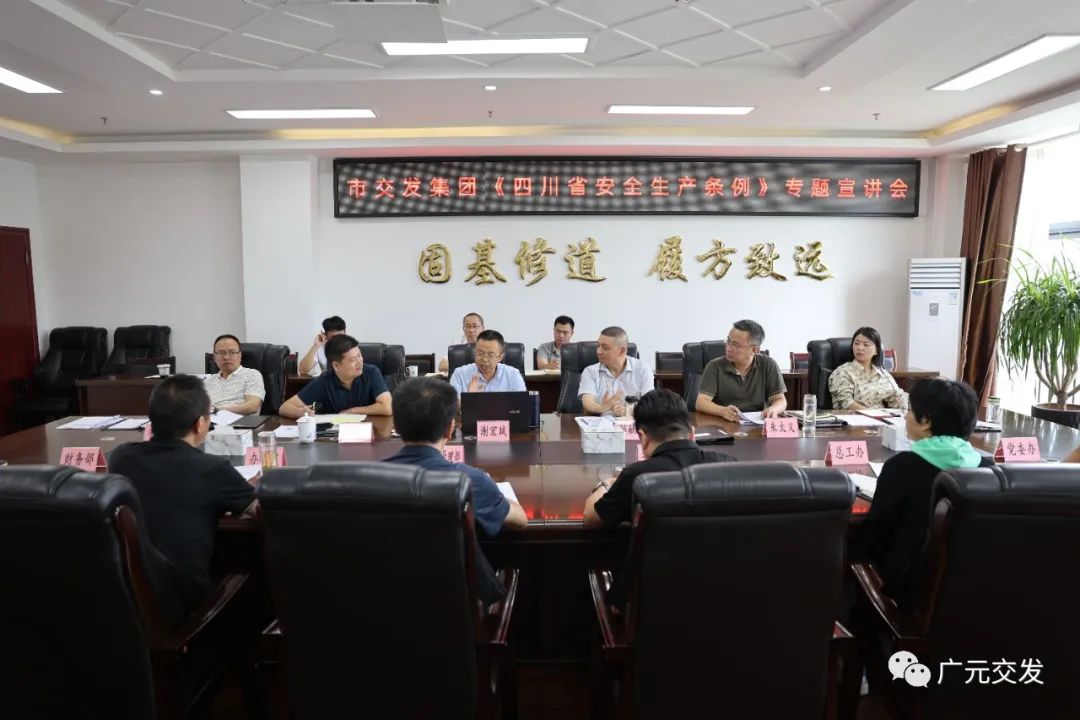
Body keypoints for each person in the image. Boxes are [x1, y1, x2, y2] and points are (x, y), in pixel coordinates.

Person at [108, 375, 256, 624]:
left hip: (127, 602)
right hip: (184, 604)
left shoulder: (121, 457)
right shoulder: (212, 468)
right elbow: (258, 510)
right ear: (200, 424)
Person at [582, 389, 734, 607]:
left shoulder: (637, 476)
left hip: (650, 610)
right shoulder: (728, 466)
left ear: (643, 438)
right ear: (692, 433)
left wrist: (607, 483)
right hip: (722, 602)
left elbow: (590, 517)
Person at [384, 377, 528, 605]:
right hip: (455, 610)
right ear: (450, 428)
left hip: (384, 604)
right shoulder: (469, 480)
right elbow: (520, 520)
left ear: (396, 425)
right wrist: (492, 489)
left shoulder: (367, 479)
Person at [858, 378, 991, 610]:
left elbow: (875, 537)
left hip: (908, 594)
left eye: (910, 410)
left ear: (926, 421)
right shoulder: (988, 469)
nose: (905, 416)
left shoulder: (901, 467)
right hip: (972, 595)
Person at [278, 334, 392, 417]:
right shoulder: (324, 381)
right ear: (336, 366)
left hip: (370, 431)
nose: (359, 362)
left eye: (359, 355)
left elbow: (387, 407)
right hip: (334, 436)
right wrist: (301, 412)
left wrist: (352, 411)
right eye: (353, 359)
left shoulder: (371, 372)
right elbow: (284, 408)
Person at [695, 319, 786, 421]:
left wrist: (774, 409)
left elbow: (780, 399)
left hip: (757, 424)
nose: (729, 348)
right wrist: (722, 411)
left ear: (755, 350)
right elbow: (701, 402)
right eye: (728, 341)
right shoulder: (715, 366)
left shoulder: (768, 365)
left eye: (736, 345)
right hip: (724, 423)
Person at [579, 326, 654, 416]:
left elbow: (650, 406)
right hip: (601, 422)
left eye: (605, 348)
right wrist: (601, 408)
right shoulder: (590, 371)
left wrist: (627, 411)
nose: (599, 351)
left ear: (622, 351)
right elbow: (587, 402)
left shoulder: (643, 370)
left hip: (632, 423)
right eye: (598, 346)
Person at [829, 327, 907, 411]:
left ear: (876, 351)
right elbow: (846, 403)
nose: (860, 348)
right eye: (856, 343)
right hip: (855, 417)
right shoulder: (842, 372)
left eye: (866, 345)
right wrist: (875, 415)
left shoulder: (882, 374)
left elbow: (898, 399)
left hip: (884, 417)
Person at [203, 334, 265, 416]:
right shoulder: (207, 382)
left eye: (232, 352)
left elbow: (252, 407)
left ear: (240, 355)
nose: (226, 357)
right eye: (221, 353)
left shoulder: (252, 375)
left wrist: (217, 410)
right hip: (212, 422)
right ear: (214, 357)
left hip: (242, 423)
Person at [449, 329, 526, 395]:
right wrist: (470, 397)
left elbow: (522, 404)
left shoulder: (513, 375)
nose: (484, 359)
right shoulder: (460, 374)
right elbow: (452, 406)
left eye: (490, 355)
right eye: (480, 353)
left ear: (500, 357)